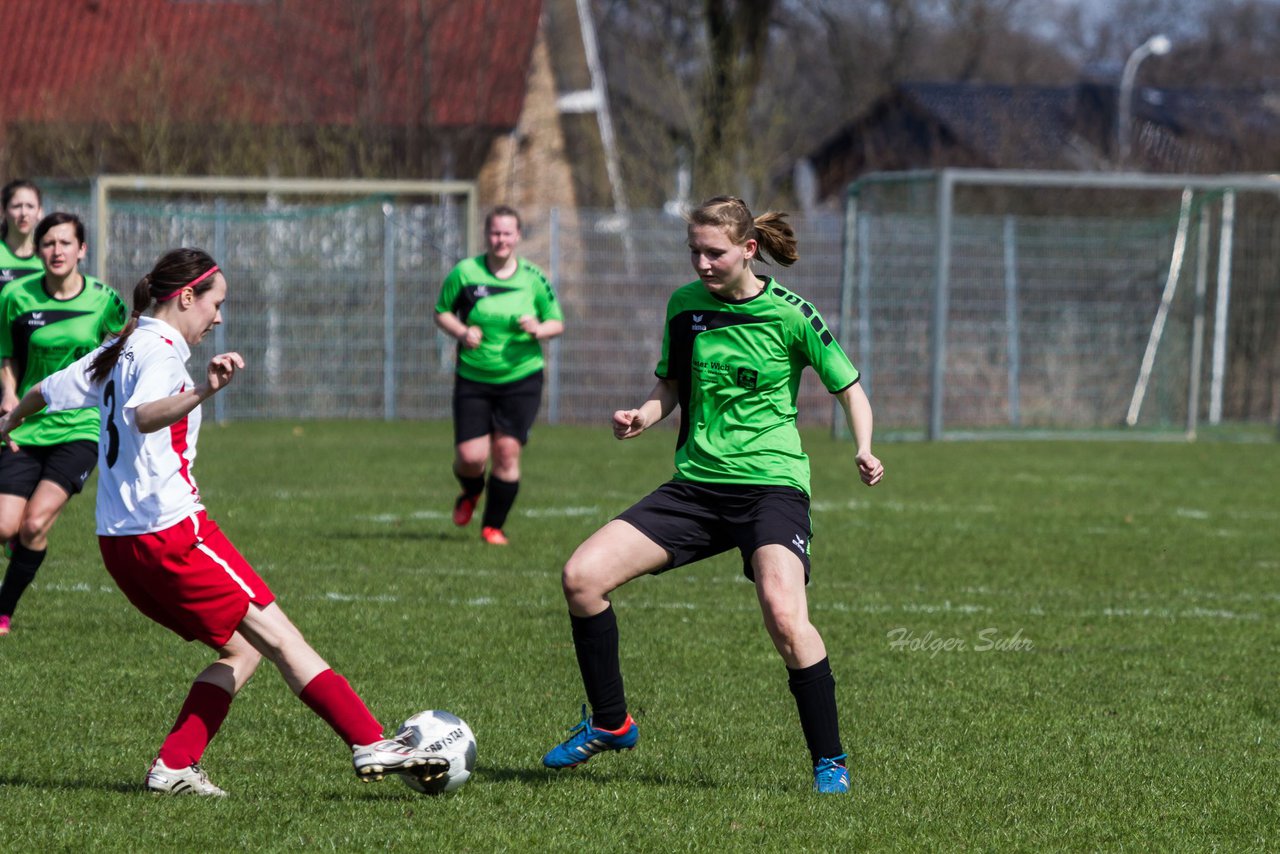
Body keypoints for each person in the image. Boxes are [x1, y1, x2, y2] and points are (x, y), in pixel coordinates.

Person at [0, 248, 448, 796]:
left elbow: (45, 391)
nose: (219, 317)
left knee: (244, 648)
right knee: (282, 636)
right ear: (186, 297)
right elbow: (144, 414)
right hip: (172, 533)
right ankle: (369, 740)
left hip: (119, 544)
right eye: (216, 304)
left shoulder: (121, 347)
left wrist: (9, 422)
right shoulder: (161, 351)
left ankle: (174, 765)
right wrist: (204, 390)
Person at [539, 196, 885, 794]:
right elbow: (669, 385)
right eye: (693, 250)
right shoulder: (684, 307)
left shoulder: (792, 315)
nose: (701, 262)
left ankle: (829, 760)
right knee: (581, 577)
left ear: (748, 250)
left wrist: (864, 447)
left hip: (771, 489)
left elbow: (850, 388)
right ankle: (611, 722)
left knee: (783, 612)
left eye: (714, 252)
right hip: (697, 488)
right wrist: (643, 417)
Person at [0, 212, 126, 636]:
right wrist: (9, 395)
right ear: (38, 251)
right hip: (27, 423)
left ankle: (3, 610)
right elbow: (7, 356)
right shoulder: (16, 296)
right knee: (5, 526)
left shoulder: (105, 300)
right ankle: (21, 547)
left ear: (82, 250)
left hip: (81, 426)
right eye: (48, 244)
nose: (56, 251)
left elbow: (124, 349)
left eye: (65, 243)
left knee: (35, 523)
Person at [433, 205, 564, 545]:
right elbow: (441, 312)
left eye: (507, 233)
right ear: (486, 234)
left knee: (506, 451)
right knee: (470, 458)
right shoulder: (465, 273)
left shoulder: (533, 278)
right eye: (495, 232)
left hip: (521, 378)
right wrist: (462, 333)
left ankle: (493, 526)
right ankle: (471, 491)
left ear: (517, 236)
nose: (501, 239)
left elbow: (557, 322)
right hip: (474, 378)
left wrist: (537, 328)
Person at [0, 180, 46, 291]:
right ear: (3, 211)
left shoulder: (49, 255)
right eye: (16, 206)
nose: (24, 213)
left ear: (40, 212)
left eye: (30, 206)